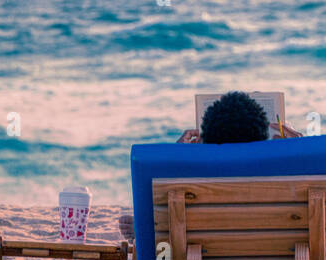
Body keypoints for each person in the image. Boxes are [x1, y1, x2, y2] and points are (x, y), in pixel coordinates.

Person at [119, 92, 300, 239]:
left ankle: (148, 229)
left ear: (205, 139)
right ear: (263, 136)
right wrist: (300, 151)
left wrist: (175, 158)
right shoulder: (283, 178)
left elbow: (161, 259)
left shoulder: (191, 180)